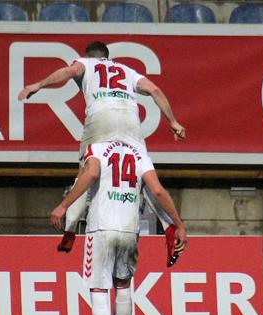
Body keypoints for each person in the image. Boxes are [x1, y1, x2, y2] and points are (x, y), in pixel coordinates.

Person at [18, 41, 186, 259]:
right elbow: (154, 90)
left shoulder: (85, 63)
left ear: (88, 55)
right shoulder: (127, 70)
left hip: (100, 119)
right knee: (143, 177)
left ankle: (69, 228)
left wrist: (38, 85)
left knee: (86, 174)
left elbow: (69, 72)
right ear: (107, 56)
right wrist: (173, 121)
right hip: (131, 122)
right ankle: (170, 227)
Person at [51, 140, 187, 315]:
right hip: (129, 229)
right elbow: (157, 191)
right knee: (123, 287)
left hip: (101, 228)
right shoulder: (139, 153)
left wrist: (64, 205)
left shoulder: (98, 147)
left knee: (99, 292)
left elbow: (91, 173)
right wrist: (178, 224)